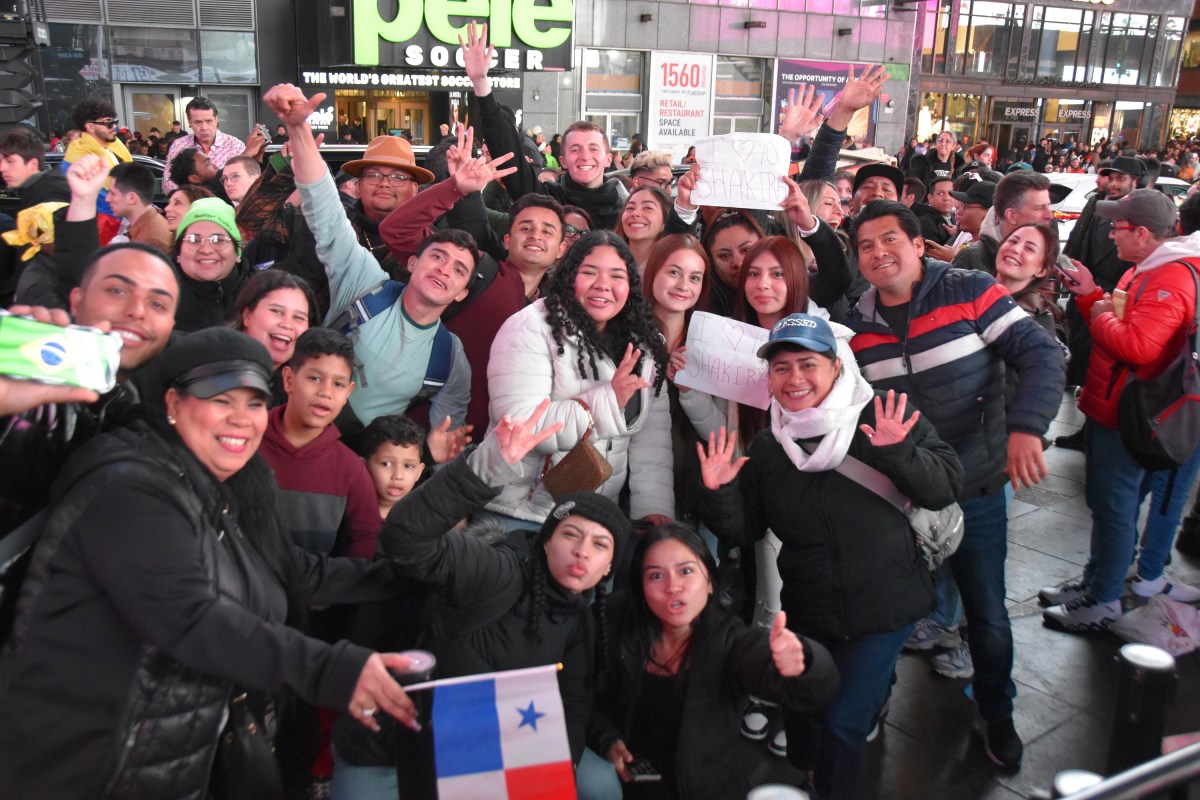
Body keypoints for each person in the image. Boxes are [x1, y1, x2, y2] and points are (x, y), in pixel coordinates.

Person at [0, 327, 423, 798]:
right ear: (174, 404)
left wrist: (412, 575)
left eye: (254, 402)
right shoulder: (129, 484)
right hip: (89, 767)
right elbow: (191, 616)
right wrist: (332, 670)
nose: (242, 419)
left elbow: (293, 570)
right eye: (223, 399)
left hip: (170, 754)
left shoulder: (218, 486)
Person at [699, 313, 963, 800]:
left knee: (843, 721)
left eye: (808, 364)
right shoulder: (769, 448)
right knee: (804, 707)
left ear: (836, 367)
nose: (795, 379)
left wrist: (900, 452)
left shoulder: (881, 415)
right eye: (781, 368)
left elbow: (945, 485)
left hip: (886, 604)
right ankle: (813, 767)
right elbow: (746, 529)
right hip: (809, 609)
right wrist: (718, 491)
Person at [844, 200, 1065, 772]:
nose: (878, 252)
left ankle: (998, 716)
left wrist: (1026, 429)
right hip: (901, 494)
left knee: (987, 612)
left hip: (977, 485)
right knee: (887, 613)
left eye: (889, 239)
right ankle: (874, 699)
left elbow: (1040, 354)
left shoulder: (969, 288)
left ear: (919, 244)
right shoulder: (856, 325)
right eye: (865, 245)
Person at [335, 410, 628, 799]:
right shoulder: (497, 569)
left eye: (600, 545)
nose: (581, 552)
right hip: (394, 746)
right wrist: (482, 469)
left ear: (609, 567)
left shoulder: (580, 620)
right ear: (544, 541)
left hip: (487, 753)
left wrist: (557, 772)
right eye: (570, 535)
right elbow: (404, 540)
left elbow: (571, 707)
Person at [1042, 190, 1200, 631]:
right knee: (1112, 505)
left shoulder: (1169, 277)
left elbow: (1138, 345)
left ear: (1143, 233)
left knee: (1115, 506)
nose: (1110, 234)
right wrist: (1097, 298)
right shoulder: (1148, 271)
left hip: (1128, 414)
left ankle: (1104, 599)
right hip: (1118, 407)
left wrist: (1095, 304)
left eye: (1118, 227)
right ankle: (1096, 582)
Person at [591, 524, 840, 799]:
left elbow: (816, 689)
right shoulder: (615, 618)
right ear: (641, 588)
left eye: (686, 571)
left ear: (710, 582)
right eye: (656, 575)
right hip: (625, 783)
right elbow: (581, 694)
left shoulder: (731, 641)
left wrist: (803, 662)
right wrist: (607, 740)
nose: (673, 587)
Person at [484, 230, 674, 528]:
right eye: (589, 272)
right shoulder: (530, 327)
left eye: (616, 276)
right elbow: (519, 426)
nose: (603, 286)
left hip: (595, 520)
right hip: (521, 512)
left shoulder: (644, 343)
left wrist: (652, 509)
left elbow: (651, 440)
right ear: (569, 274)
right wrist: (607, 400)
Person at [172, 197, 252, 332]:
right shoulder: (160, 296)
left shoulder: (258, 295)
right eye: (194, 240)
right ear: (179, 253)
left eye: (219, 240)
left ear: (237, 252)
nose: (206, 250)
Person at [230, 269, 316, 374]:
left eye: (298, 317)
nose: (287, 325)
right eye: (276, 311)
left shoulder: (298, 386)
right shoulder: (211, 370)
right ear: (247, 315)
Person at [162, 96, 254, 193]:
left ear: (216, 119)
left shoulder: (234, 145)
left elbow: (244, 182)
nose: (204, 127)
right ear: (189, 122)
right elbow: (169, 183)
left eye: (208, 121)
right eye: (198, 122)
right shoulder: (179, 145)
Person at [357, 414, 426, 520]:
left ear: (419, 472)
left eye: (408, 466)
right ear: (363, 465)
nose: (398, 475)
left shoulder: (418, 519)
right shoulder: (347, 510)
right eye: (386, 464)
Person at [106, 162, 172, 253]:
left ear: (132, 198)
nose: (107, 198)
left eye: (113, 193)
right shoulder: (145, 228)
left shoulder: (151, 242)